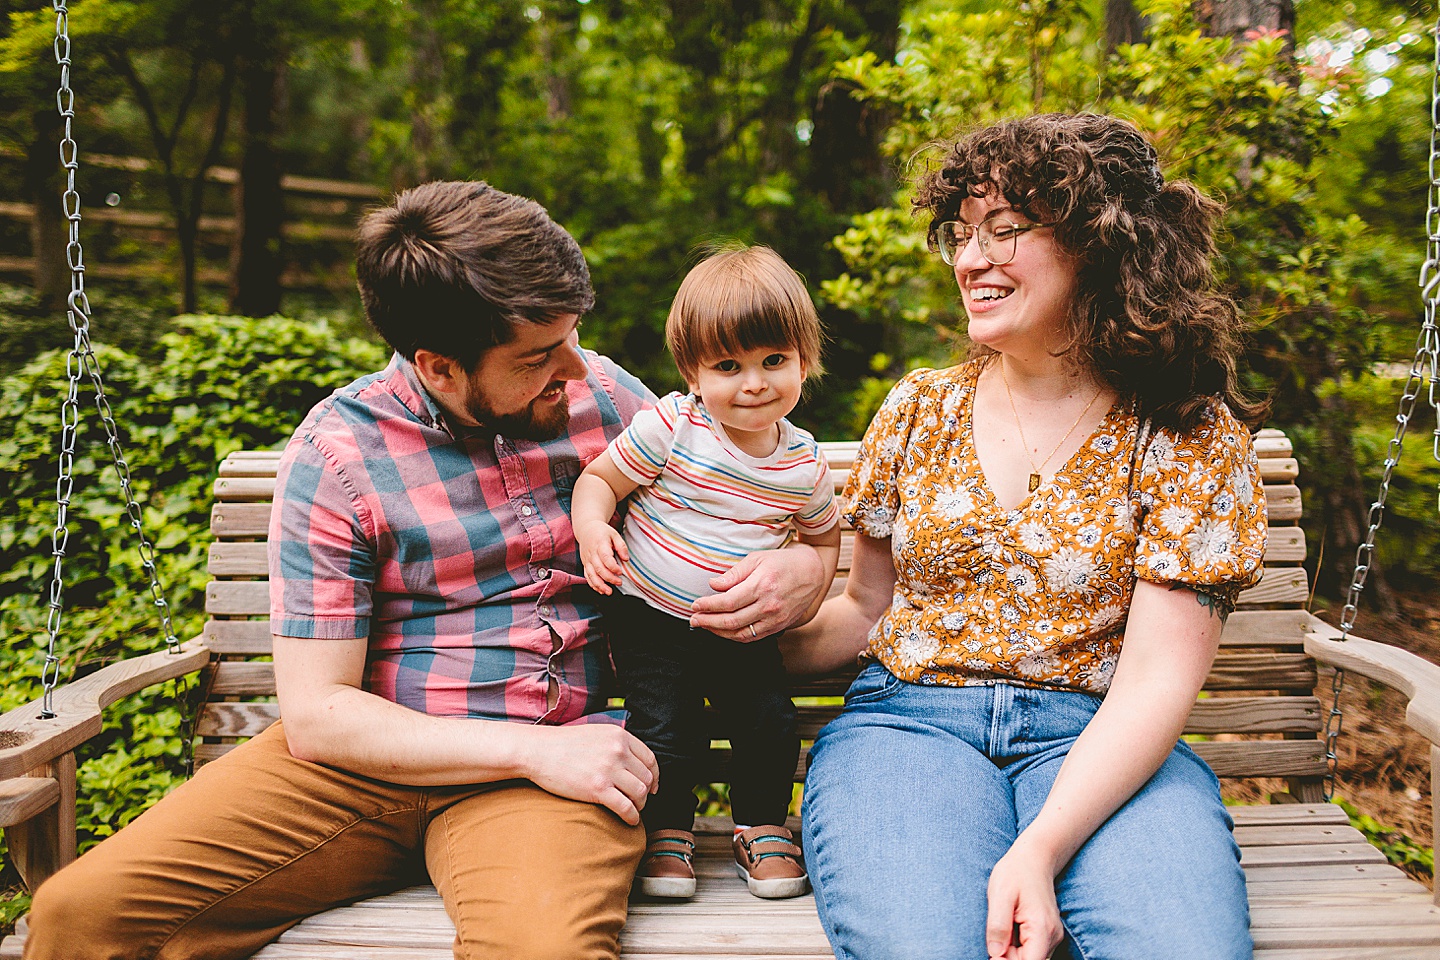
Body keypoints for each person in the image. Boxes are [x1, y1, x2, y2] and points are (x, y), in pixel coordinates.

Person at [22, 182, 829, 960]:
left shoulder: (612, 402)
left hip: (542, 784)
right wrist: (527, 751)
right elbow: (319, 716)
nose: (578, 371)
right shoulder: (338, 457)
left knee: (539, 950)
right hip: (361, 771)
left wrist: (798, 568)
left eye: (574, 337)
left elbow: (731, 509)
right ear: (440, 366)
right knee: (79, 916)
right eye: (540, 356)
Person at [784, 114, 1268, 960]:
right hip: (909, 730)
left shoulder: (1185, 431)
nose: (973, 260)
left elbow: (1155, 681)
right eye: (963, 236)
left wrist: (1039, 849)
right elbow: (865, 609)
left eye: (1007, 231)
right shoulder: (919, 409)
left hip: (1100, 735)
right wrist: (721, 629)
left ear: (1102, 245)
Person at [572, 245, 840, 901]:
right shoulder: (673, 428)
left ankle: (761, 827)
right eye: (728, 366)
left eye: (773, 360)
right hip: (650, 616)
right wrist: (592, 529)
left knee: (768, 721)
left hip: (739, 624)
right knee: (664, 725)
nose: (753, 382)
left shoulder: (803, 465)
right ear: (693, 373)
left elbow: (824, 542)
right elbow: (599, 481)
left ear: (804, 359)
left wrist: (802, 585)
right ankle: (668, 832)